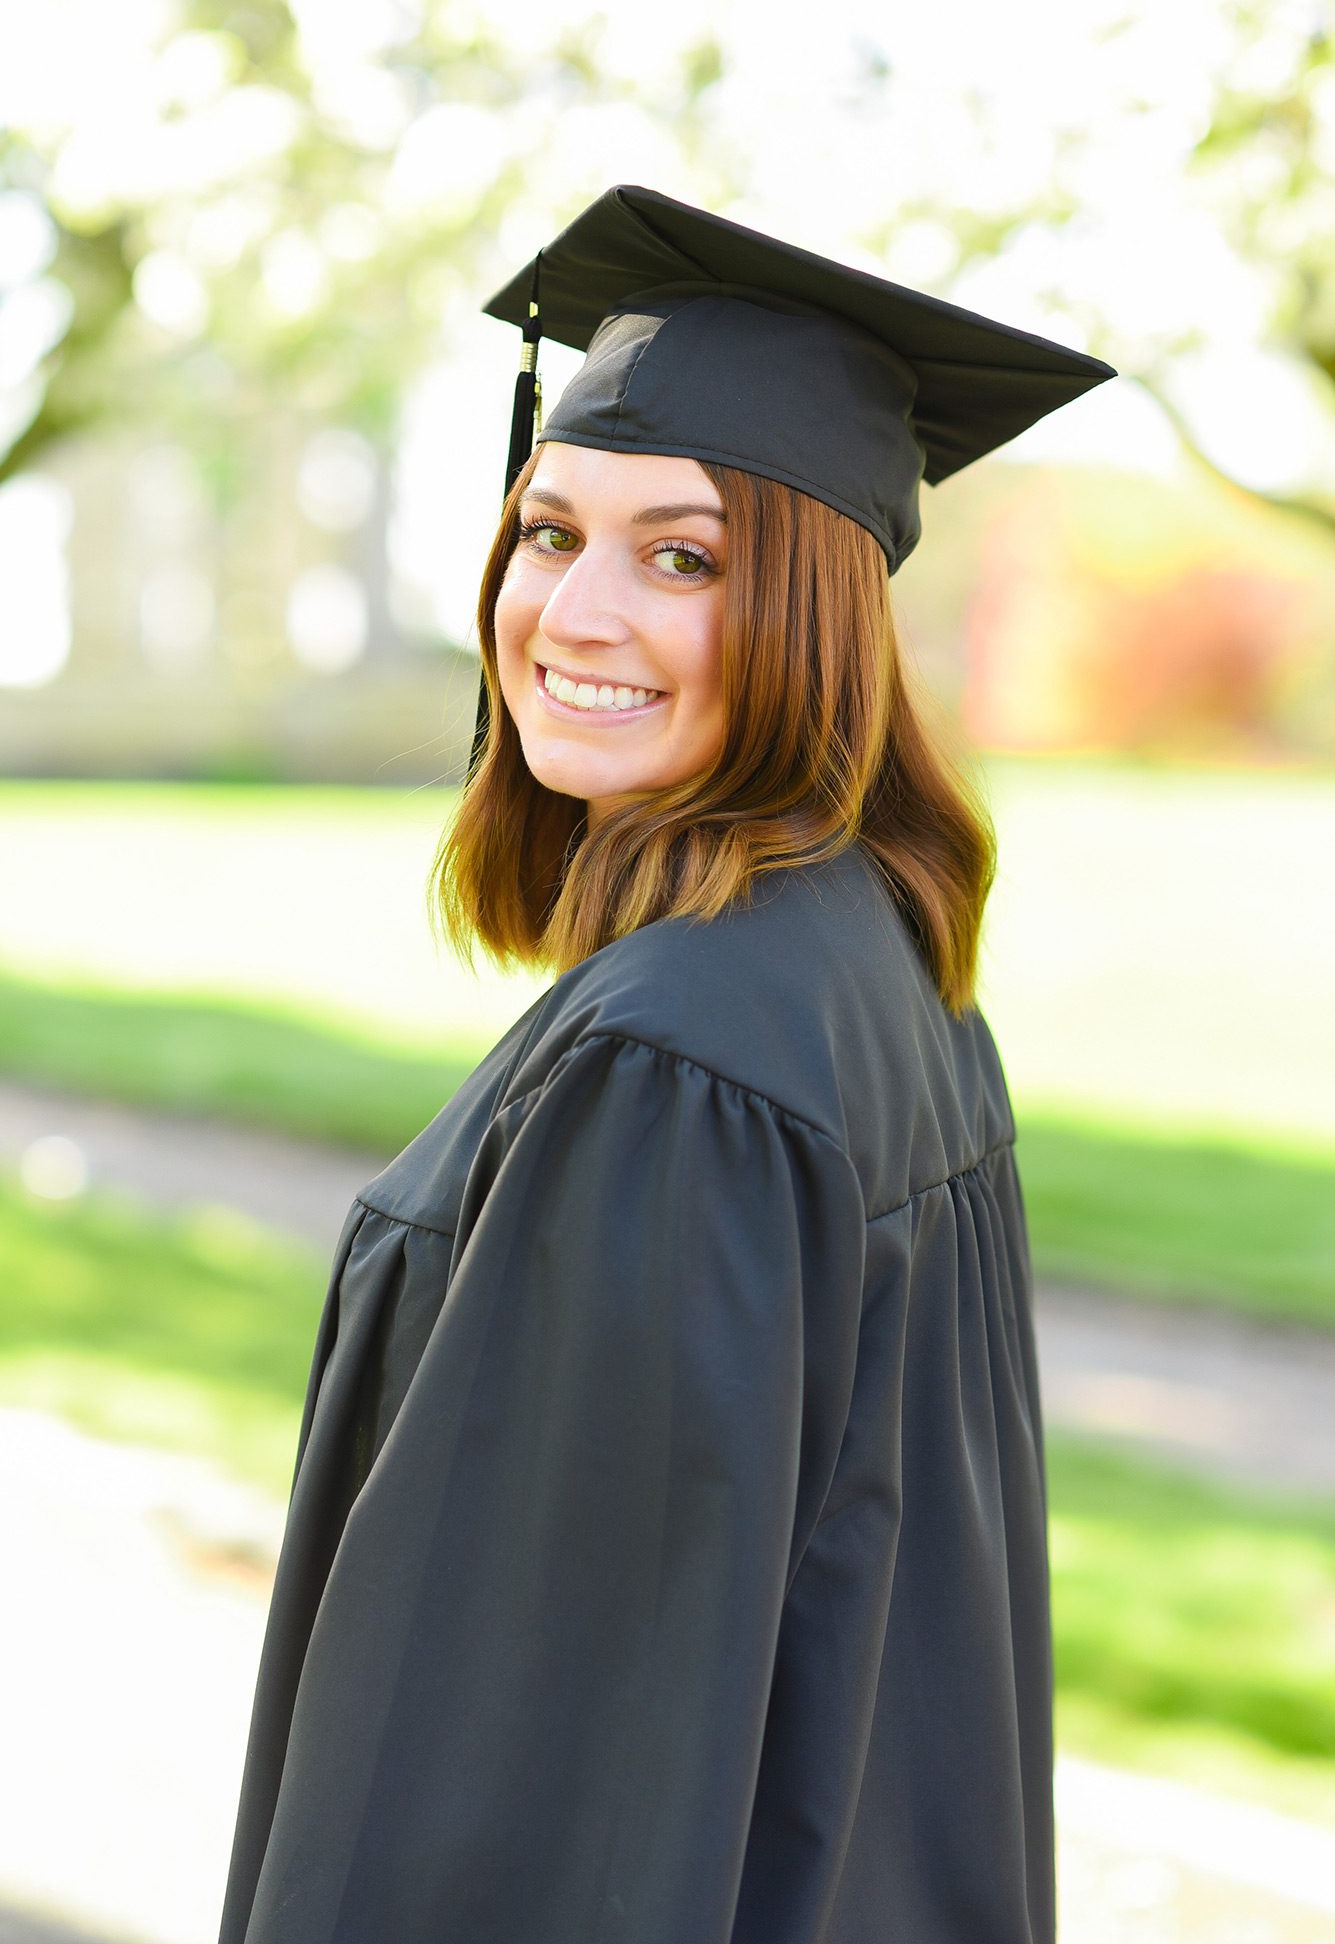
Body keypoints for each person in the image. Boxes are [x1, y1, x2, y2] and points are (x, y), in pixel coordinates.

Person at [217, 186, 1116, 1944]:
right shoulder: (880, 969)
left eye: (684, 557)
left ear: (818, 615)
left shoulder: (677, 1070)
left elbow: (516, 1785)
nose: (575, 611)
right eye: (549, 532)